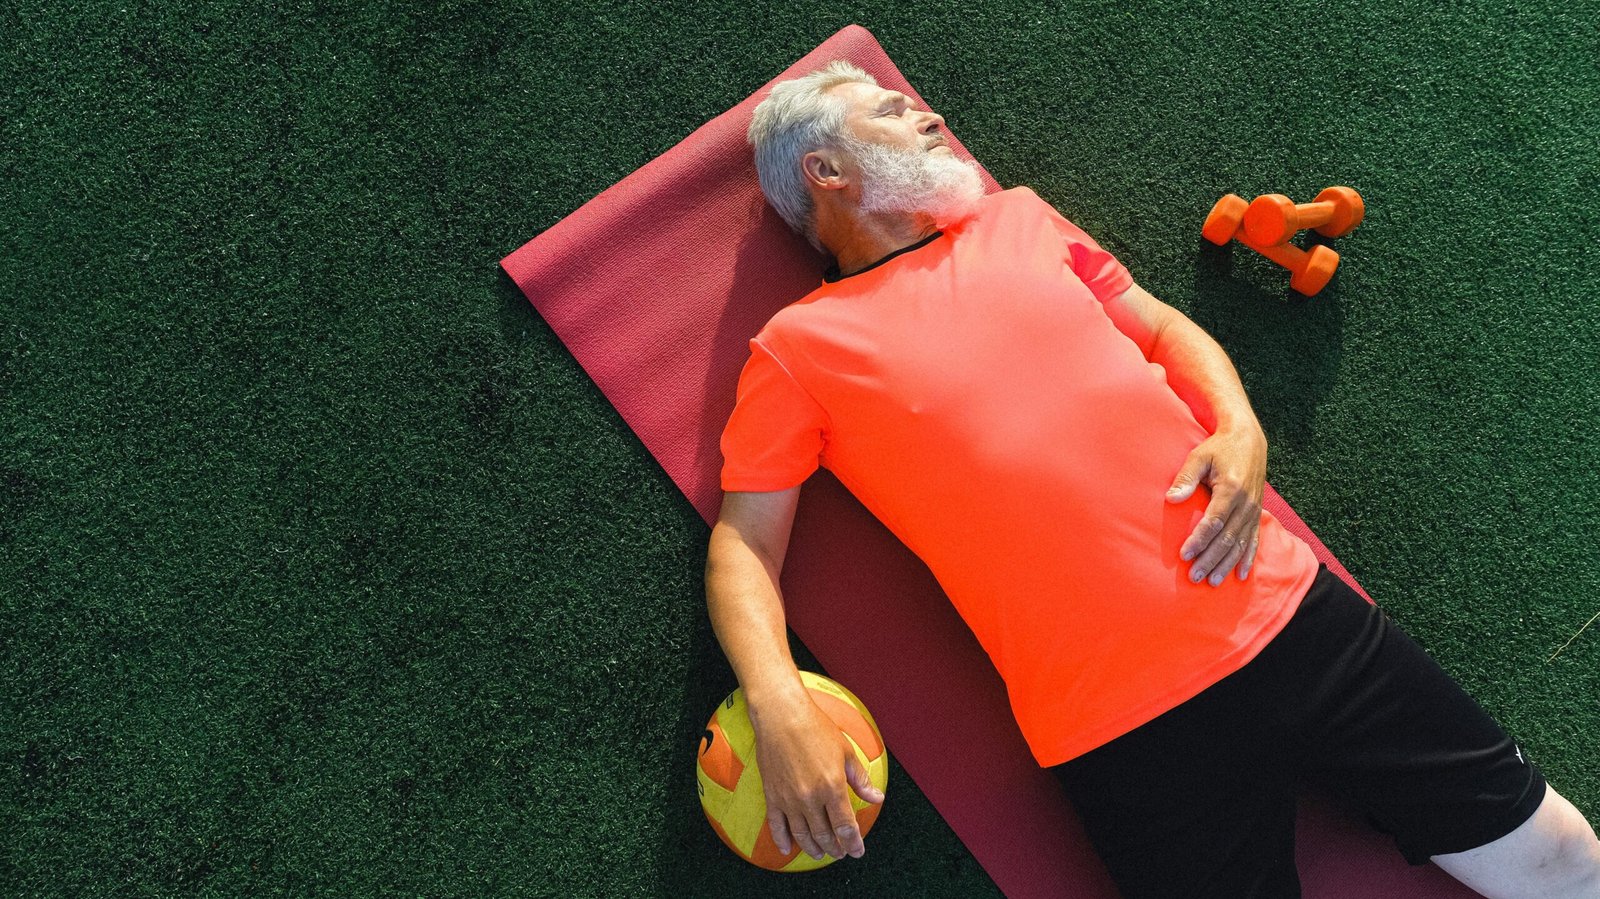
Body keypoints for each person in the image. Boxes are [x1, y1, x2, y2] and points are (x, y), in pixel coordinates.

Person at [703, 60, 1600, 899]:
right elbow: (744, 541)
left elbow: (1161, 328)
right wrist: (777, 700)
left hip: (1285, 612)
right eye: (893, 110)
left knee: (1563, 857)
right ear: (827, 170)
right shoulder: (798, 348)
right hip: (1119, 725)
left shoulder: (1018, 220)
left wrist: (1240, 427)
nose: (929, 113)